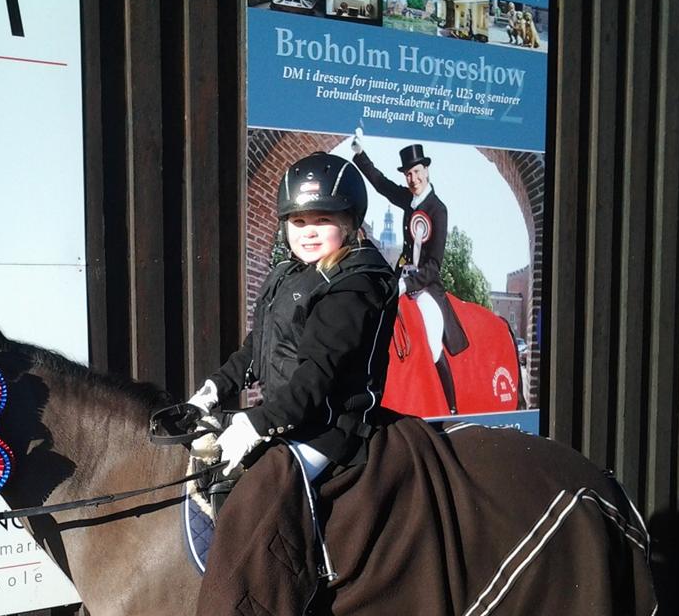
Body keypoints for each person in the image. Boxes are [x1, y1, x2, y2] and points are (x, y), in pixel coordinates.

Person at [187, 151, 397, 484]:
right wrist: (212, 390)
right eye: (299, 222)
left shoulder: (355, 284)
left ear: (348, 223)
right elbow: (258, 346)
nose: (308, 232)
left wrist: (259, 423)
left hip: (331, 427)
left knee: (259, 493)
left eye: (322, 220)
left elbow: (317, 372)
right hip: (288, 415)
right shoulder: (289, 274)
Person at [350, 137, 468, 414]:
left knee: (431, 341)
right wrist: (361, 154)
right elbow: (380, 184)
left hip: (426, 287)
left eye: (416, 172)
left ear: (426, 171)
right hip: (400, 278)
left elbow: (433, 265)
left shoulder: (438, 209)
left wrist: (406, 284)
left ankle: (451, 406)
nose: (412, 178)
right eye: (407, 174)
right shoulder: (407, 199)